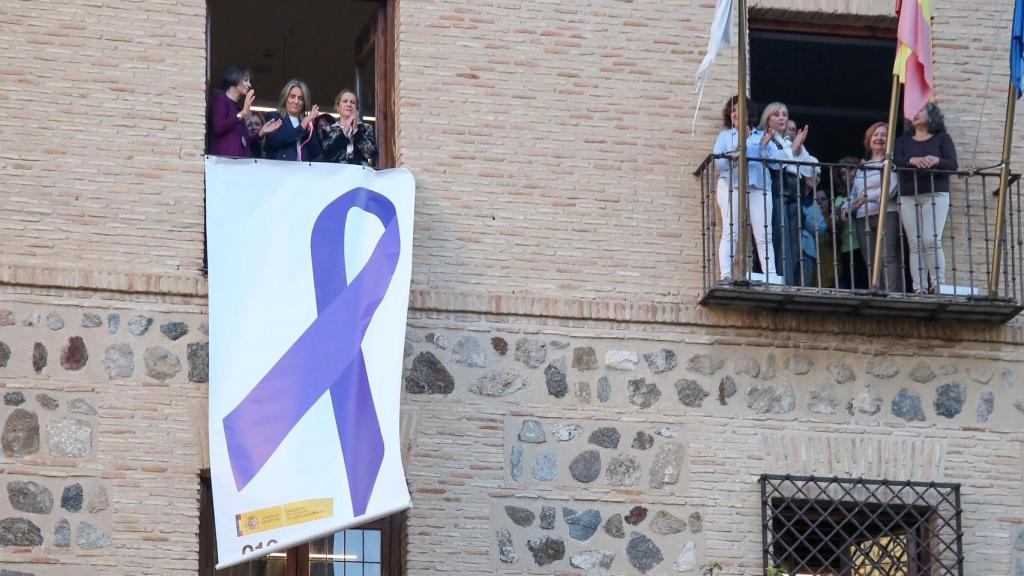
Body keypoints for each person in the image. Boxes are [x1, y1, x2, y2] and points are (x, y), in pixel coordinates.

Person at [712, 96, 782, 281]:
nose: (736, 113)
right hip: (732, 186)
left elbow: (775, 163)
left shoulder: (761, 135)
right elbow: (719, 164)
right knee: (731, 231)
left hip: (759, 186)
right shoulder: (725, 136)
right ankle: (726, 275)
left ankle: (771, 276)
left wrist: (764, 146)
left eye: (740, 109)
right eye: (733, 110)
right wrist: (737, 148)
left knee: (763, 233)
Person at [893, 103, 958, 293]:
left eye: (920, 110)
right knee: (915, 243)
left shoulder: (942, 138)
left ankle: (938, 285)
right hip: (907, 195)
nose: (915, 114)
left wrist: (936, 160)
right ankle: (919, 288)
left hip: (935, 193)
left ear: (931, 117)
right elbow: (894, 161)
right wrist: (910, 161)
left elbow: (952, 164)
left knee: (931, 239)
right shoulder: (903, 141)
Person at [759, 102, 820, 286]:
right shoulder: (765, 139)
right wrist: (793, 150)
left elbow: (812, 167)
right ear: (767, 119)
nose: (782, 118)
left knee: (794, 245)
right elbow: (772, 162)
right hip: (779, 195)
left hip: (795, 197)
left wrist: (798, 147)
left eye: (784, 114)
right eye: (776, 114)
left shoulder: (787, 142)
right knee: (782, 242)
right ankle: (782, 283)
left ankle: (791, 283)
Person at [850, 122, 904, 292]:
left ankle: (890, 293)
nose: (879, 138)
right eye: (875, 135)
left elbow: (891, 188)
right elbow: (854, 193)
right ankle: (876, 291)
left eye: (883, 135)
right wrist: (847, 207)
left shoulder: (891, 162)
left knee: (887, 257)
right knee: (870, 260)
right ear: (869, 139)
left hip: (887, 214)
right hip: (862, 217)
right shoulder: (862, 167)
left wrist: (868, 197)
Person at [263, 79, 322, 162]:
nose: (296, 101)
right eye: (292, 97)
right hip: (279, 170)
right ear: (285, 98)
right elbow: (275, 142)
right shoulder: (274, 116)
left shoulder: (306, 121)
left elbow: (315, 152)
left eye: (301, 99)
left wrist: (309, 129)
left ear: (304, 102)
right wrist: (302, 126)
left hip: (302, 172)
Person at [321, 89, 378, 167]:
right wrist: (345, 130)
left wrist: (356, 131)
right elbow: (327, 155)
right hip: (336, 175)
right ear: (338, 107)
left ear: (357, 108)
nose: (349, 104)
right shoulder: (328, 129)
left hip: (360, 176)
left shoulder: (366, 128)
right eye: (345, 101)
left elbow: (370, 154)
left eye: (352, 102)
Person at [208, 65, 256, 157]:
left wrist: (261, 133)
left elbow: (241, 139)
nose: (249, 85)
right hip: (224, 163)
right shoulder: (220, 100)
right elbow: (218, 127)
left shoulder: (236, 108)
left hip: (237, 163)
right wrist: (241, 114)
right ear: (234, 79)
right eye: (246, 80)